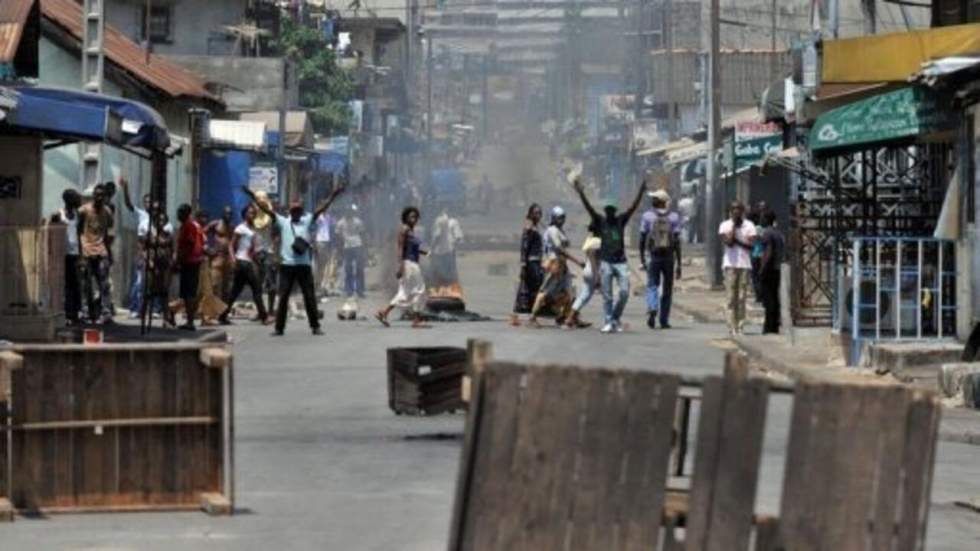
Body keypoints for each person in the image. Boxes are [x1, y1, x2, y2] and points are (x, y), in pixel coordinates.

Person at [244, 186, 345, 336]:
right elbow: (265, 209)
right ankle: (279, 328)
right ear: (290, 212)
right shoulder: (283, 221)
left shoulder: (307, 220)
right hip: (287, 266)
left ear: (301, 211)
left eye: (298, 210)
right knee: (283, 297)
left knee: (309, 296)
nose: (296, 213)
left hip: (303, 265)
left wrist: (333, 195)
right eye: (294, 211)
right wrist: (252, 195)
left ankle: (315, 326)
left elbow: (321, 209)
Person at [572, 178, 647, 333]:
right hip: (606, 262)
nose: (610, 212)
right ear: (606, 211)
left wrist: (641, 192)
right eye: (608, 210)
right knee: (607, 296)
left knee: (624, 292)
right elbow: (589, 208)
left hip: (621, 262)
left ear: (615, 210)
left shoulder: (621, 220)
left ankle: (614, 318)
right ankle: (608, 321)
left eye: (612, 210)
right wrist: (581, 193)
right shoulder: (600, 221)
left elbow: (633, 207)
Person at [120, 178, 171, 319]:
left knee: (156, 282)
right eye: (146, 202)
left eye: (151, 202)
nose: (149, 204)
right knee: (139, 282)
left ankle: (155, 308)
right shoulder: (142, 216)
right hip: (144, 253)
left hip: (158, 255)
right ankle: (135, 307)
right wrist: (125, 189)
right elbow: (129, 205)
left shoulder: (162, 219)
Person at [528, 206, 581, 328]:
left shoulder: (559, 230)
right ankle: (532, 317)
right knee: (545, 292)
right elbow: (560, 249)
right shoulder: (552, 230)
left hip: (562, 265)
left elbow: (565, 243)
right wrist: (577, 261)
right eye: (559, 218)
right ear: (554, 218)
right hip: (554, 263)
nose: (562, 220)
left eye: (563, 218)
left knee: (568, 293)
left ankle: (562, 316)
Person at [376, 207, 429, 328]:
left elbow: (410, 248)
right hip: (409, 264)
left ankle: (384, 312)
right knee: (419, 290)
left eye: (416, 217)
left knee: (405, 292)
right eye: (411, 216)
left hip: (411, 263)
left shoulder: (410, 230)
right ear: (405, 218)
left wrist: (424, 252)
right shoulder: (404, 229)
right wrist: (400, 266)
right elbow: (400, 249)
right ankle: (416, 320)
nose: (414, 219)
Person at [218, 205, 269, 325]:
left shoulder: (253, 229)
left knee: (235, 291)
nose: (253, 215)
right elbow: (231, 245)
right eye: (250, 213)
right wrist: (232, 258)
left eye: (254, 213)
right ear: (245, 214)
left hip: (249, 262)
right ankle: (264, 317)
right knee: (257, 289)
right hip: (243, 262)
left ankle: (223, 315)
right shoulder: (240, 228)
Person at [640, 189, 682, 330]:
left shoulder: (647, 216)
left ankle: (652, 307)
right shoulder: (674, 217)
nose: (652, 200)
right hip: (669, 257)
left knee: (652, 285)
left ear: (660, 201)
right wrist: (679, 264)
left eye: (654, 198)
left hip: (654, 256)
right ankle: (664, 320)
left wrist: (642, 258)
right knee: (667, 290)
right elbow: (676, 242)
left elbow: (642, 238)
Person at [77, 184, 115, 324]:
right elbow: (78, 230)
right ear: (93, 195)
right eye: (97, 195)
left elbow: (109, 232)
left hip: (101, 251)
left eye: (102, 195)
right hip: (87, 251)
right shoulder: (84, 210)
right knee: (85, 284)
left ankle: (106, 313)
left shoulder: (107, 212)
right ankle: (86, 312)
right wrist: (80, 253)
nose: (99, 198)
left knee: (104, 284)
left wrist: (109, 253)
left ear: (105, 197)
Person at [719, 201, 758, 336]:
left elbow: (751, 246)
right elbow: (728, 243)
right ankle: (731, 326)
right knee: (730, 298)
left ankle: (740, 326)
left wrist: (738, 241)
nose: (736, 212)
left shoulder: (750, 225)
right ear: (730, 211)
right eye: (733, 209)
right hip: (730, 265)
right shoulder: (725, 225)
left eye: (738, 209)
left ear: (743, 211)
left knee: (741, 297)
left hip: (744, 265)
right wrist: (734, 228)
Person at [51, 189, 83, 326]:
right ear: (68, 200)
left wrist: (81, 255)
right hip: (62, 254)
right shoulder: (59, 214)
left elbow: (79, 235)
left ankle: (74, 313)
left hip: (74, 254)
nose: (79, 201)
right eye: (76, 198)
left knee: (75, 285)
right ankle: (66, 314)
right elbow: (51, 232)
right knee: (65, 285)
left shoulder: (77, 215)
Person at [511, 204, 544, 326]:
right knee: (533, 290)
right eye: (536, 212)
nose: (538, 215)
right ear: (530, 213)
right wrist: (523, 266)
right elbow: (524, 248)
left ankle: (517, 316)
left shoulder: (535, 226)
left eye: (540, 213)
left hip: (536, 262)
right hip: (531, 263)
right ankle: (530, 317)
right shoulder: (529, 227)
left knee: (526, 290)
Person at [565, 222, 601, 329]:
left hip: (587, 270)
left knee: (584, 295)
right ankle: (613, 320)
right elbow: (592, 256)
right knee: (604, 296)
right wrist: (597, 276)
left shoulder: (589, 239)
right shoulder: (597, 241)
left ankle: (571, 318)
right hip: (593, 271)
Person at [175, 204, 206, 331]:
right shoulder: (189, 225)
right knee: (188, 293)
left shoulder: (189, 226)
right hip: (191, 261)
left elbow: (189, 244)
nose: (177, 215)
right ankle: (189, 320)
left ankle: (190, 321)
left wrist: (179, 260)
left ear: (185, 213)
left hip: (190, 262)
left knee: (189, 293)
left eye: (180, 212)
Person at [142, 211, 175, 328]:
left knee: (165, 292)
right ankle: (145, 315)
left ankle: (166, 318)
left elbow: (172, 250)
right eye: (158, 220)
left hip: (164, 267)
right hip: (152, 266)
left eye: (163, 220)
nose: (161, 223)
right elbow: (143, 249)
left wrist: (172, 263)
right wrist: (149, 262)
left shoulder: (168, 235)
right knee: (149, 290)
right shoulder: (149, 235)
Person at [251, 191, 279, 315]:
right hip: (256, 254)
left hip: (269, 253)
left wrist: (277, 255)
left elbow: (278, 237)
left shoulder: (272, 218)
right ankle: (261, 311)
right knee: (257, 284)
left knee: (271, 284)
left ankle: (271, 310)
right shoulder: (252, 218)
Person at [758, 209, 784, 334]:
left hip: (769, 269)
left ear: (766, 219)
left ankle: (769, 327)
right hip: (777, 269)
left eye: (762, 218)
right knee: (774, 297)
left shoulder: (767, 233)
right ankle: (774, 325)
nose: (760, 220)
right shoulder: (778, 233)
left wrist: (762, 269)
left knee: (768, 299)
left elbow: (768, 252)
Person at [335, 204, 367, 299]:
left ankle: (360, 290)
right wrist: (339, 249)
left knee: (359, 269)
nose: (349, 214)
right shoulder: (340, 223)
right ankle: (349, 290)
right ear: (345, 213)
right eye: (348, 212)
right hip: (347, 247)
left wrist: (365, 247)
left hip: (357, 245)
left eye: (351, 212)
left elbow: (362, 234)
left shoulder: (358, 221)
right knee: (348, 269)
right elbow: (337, 236)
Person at [206, 206, 235, 305]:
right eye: (226, 213)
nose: (228, 215)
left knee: (226, 288)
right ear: (222, 213)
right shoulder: (216, 224)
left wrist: (233, 258)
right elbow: (202, 233)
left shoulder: (231, 227)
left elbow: (233, 243)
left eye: (230, 214)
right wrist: (207, 248)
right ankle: (212, 310)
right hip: (217, 257)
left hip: (227, 259)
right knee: (214, 284)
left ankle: (223, 313)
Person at [429, 206, 464, 289]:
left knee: (438, 269)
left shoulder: (439, 220)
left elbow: (437, 235)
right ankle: (451, 287)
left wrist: (432, 248)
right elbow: (458, 237)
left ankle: (440, 287)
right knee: (450, 270)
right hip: (450, 249)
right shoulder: (454, 221)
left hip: (439, 250)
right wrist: (454, 245)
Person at [314, 209, 340, 296]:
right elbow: (314, 228)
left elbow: (335, 224)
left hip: (328, 242)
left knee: (328, 264)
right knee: (321, 264)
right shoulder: (318, 218)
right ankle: (319, 284)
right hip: (320, 241)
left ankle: (324, 285)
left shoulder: (329, 217)